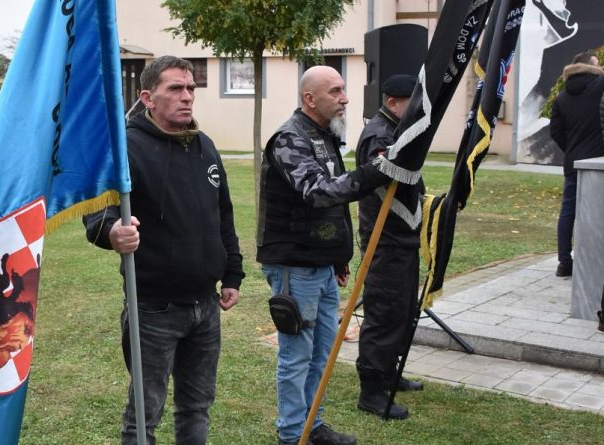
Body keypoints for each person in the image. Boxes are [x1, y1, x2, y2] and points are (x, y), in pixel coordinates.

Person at [83, 55, 244, 445]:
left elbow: (223, 215)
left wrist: (233, 274)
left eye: (190, 88)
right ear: (148, 98)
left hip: (205, 306)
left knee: (196, 407)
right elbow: (97, 214)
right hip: (153, 309)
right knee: (144, 414)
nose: (187, 96)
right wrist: (112, 232)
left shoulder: (204, 145)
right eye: (175, 88)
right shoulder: (125, 149)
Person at [257, 65, 387, 445]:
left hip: (321, 263)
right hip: (295, 264)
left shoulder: (325, 135)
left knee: (323, 354)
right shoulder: (289, 138)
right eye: (335, 91)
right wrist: (374, 172)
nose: (345, 98)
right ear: (309, 99)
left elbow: (332, 207)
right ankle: (291, 435)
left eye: (343, 89)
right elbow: (317, 192)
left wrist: (337, 256)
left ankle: (313, 425)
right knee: (297, 354)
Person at [353, 74, 424, 420]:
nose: (419, 109)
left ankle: (389, 373)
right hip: (385, 241)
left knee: (402, 310)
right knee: (383, 314)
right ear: (393, 102)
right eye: (414, 103)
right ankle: (371, 390)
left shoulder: (397, 129)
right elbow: (383, 177)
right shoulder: (380, 135)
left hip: (402, 239)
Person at [549, 51, 604, 277]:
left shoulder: (561, 97)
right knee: (597, 212)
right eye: (598, 63)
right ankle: (592, 262)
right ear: (590, 66)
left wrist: (572, 150)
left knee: (568, 212)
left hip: (573, 161)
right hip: (598, 162)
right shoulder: (599, 85)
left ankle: (564, 262)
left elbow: (555, 132)